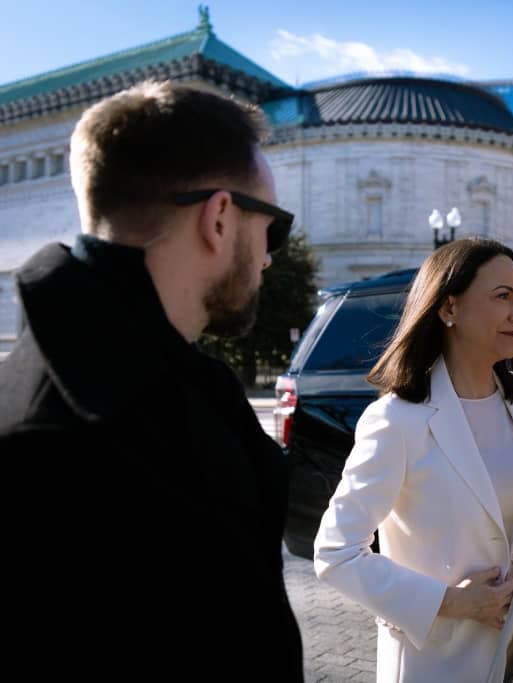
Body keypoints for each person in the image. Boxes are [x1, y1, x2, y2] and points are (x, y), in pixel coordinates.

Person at [0, 81, 303, 680]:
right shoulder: (55, 444)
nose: (269, 256)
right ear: (219, 217)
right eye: (273, 227)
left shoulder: (157, 388)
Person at [314, 237, 513, 682]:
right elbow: (334, 554)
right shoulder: (396, 420)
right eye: (502, 297)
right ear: (449, 309)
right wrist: (452, 601)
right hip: (439, 662)